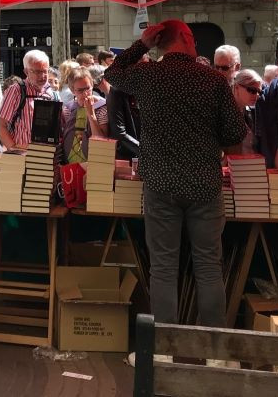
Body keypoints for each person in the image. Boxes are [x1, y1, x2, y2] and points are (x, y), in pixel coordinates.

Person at [104, 20, 246, 327]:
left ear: (159, 41)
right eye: (193, 38)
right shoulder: (212, 80)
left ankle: (163, 348)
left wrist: (142, 44)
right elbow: (235, 136)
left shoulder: (148, 75)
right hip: (204, 184)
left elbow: (111, 73)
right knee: (208, 266)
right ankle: (212, 347)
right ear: (184, 37)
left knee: (164, 268)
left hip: (160, 183)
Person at [0, 50, 58, 151]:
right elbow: (1, 125)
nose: (43, 76)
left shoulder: (52, 93)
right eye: (38, 72)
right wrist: (14, 149)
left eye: (45, 71)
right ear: (26, 71)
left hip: (47, 154)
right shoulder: (16, 91)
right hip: (22, 156)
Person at [60, 67, 108, 163]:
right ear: (72, 90)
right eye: (80, 90)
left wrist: (91, 113)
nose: (85, 94)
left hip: (94, 162)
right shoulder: (68, 109)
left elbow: (101, 141)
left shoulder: (102, 107)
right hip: (70, 163)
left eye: (87, 88)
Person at [229, 69, 263, 155]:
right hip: (232, 165)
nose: (256, 95)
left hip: (250, 164)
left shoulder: (249, 112)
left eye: (259, 91)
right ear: (236, 87)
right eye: (252, 90)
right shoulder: (225, 112)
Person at [105, 82, 140, 160]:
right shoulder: (116, 93)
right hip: (127, 156)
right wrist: (144, 150)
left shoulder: (140, 91)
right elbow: (119, 133)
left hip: (140, 152)